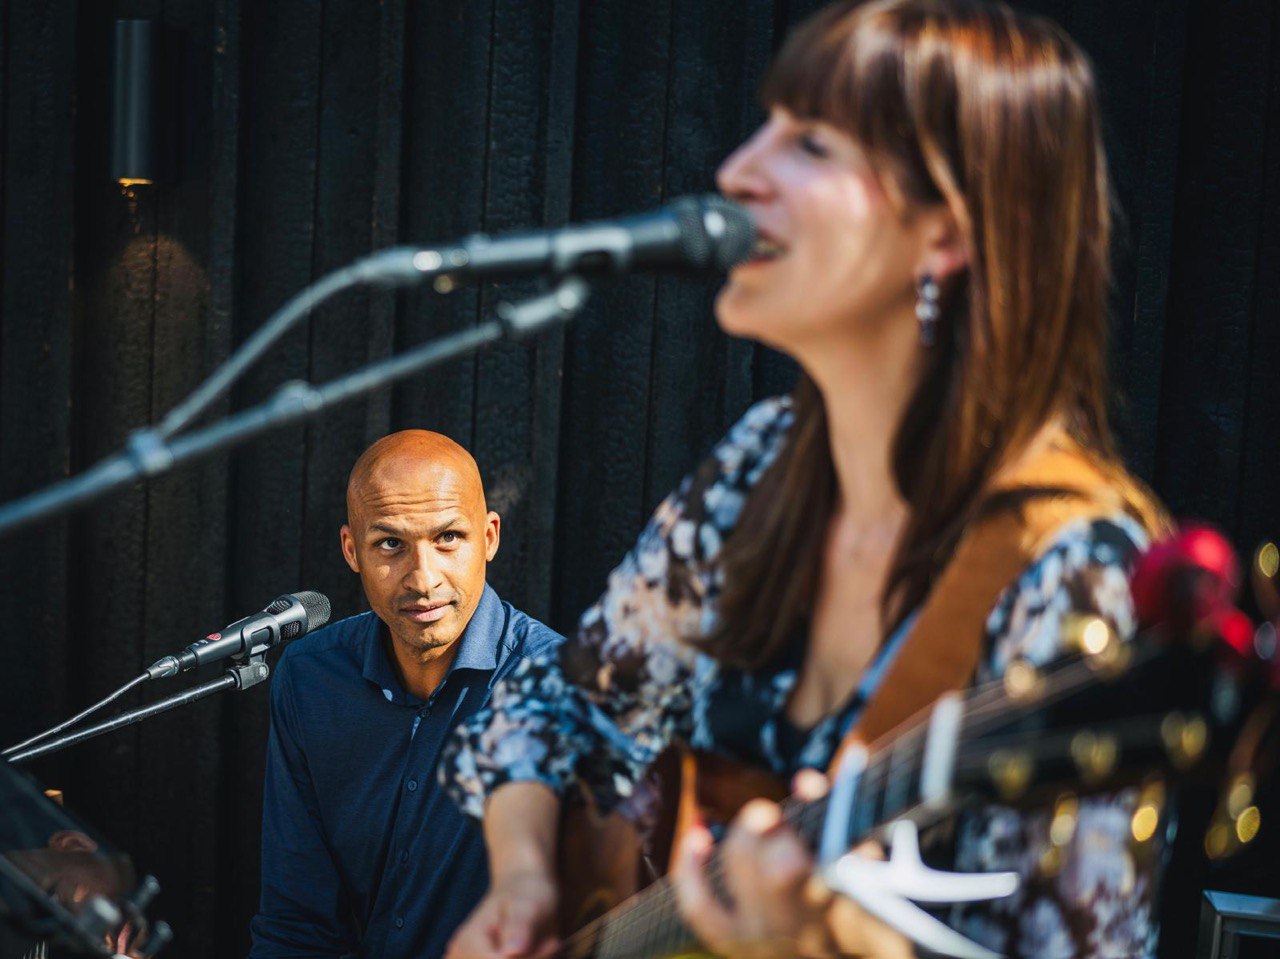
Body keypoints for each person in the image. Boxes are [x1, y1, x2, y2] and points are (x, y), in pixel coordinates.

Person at [442, 1, 1169, 957]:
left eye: (811, 143)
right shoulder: (764, 463)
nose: (739, 171)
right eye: (766, 125)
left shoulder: (1076, 574)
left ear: (945, 233)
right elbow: (559, 703)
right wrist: (530, 873)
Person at [248, 431, 562, 959]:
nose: (423, 578)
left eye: (448, 539)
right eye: (391, 544)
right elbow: (296, 921)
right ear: (352, 550)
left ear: (489, 537)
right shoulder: (311, 678)